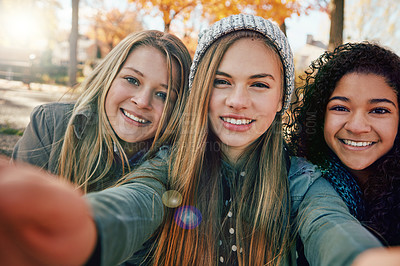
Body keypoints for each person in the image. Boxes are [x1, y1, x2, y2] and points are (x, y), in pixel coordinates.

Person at [0, 15, 383, 266]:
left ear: (282, 99)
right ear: (202, 91)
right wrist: (85, 229)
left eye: (260, 85)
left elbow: (327, 223)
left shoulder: (302, 181)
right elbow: (137, 200)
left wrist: (359, 258)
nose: (237, 100)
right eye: (222, 81)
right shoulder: (170, 162)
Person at [12, 30, 191, 193]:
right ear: (108, 77)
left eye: (162, 94)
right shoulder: (50, 125)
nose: (143, 102)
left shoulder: (178, 162)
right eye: (132, 80)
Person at [285, 42, 400, 246]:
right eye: (340, 108)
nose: (357, 127)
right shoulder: (297, 182)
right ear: (320, 116)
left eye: (379, 110)